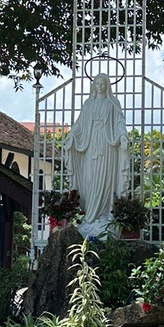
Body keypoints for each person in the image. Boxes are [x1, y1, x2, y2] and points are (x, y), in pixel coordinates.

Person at [63, 73, 129, 237]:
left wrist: (122, 136)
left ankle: (105, 215)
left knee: (106, 181)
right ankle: (90, 217)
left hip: (107, 147)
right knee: (90, 180)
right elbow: (79, 124)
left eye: (102, 84)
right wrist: (72, 135)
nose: (99, 86)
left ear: (107, 86)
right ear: (94, 86)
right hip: (91, 145)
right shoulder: (88, 104)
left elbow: (119, 123)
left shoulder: (112, 103)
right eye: (97, 83)